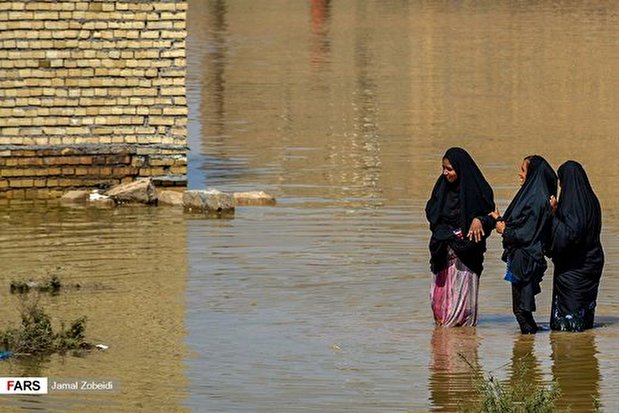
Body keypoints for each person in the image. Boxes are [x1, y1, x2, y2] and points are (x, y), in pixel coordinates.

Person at [426, 147, 496, 327]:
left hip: (466, 256)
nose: (445, 173)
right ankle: (441, 350)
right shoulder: (441, 188)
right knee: (439, 306)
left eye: (449, 169)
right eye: (443, 168)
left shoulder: (479, 190)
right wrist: (446, 234)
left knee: (461, 309)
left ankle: (462, 348)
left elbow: (492, 216)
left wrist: (479, 220)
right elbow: (432, 213)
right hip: (442, 253)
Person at [493, 155, 557, 334]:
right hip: (525, 258)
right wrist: (499, 220)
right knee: (523, 311)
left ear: (533, 174)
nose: (520, 174)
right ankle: (529, 347)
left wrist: (504, 230)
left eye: (523, 170)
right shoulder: (533, 196)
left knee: (520, 310)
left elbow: (526, 234)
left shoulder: (535, 200)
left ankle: (525, 356)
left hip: (526, 260)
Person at [548, 161, 604, 331]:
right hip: (591, 262)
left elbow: (569, 235)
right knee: (584, 315)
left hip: (575, 269)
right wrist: (558, 211)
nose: (561, 187)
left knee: (569, 327)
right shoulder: (591, 200)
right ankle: (585, 351)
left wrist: (552, 217)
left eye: (562, 182)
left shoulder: (574, 205)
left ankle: (573, 356)